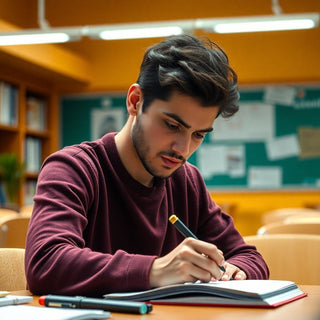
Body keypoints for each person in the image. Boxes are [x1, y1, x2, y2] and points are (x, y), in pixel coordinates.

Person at [25, 34, 269, 297]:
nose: (183, 150)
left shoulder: (187, 181)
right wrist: (156, 270)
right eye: (172, 125)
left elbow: (248, 257)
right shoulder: (73, 168)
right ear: (135, 101)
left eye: (199, 134)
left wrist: (235, 270)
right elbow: (45, 263)